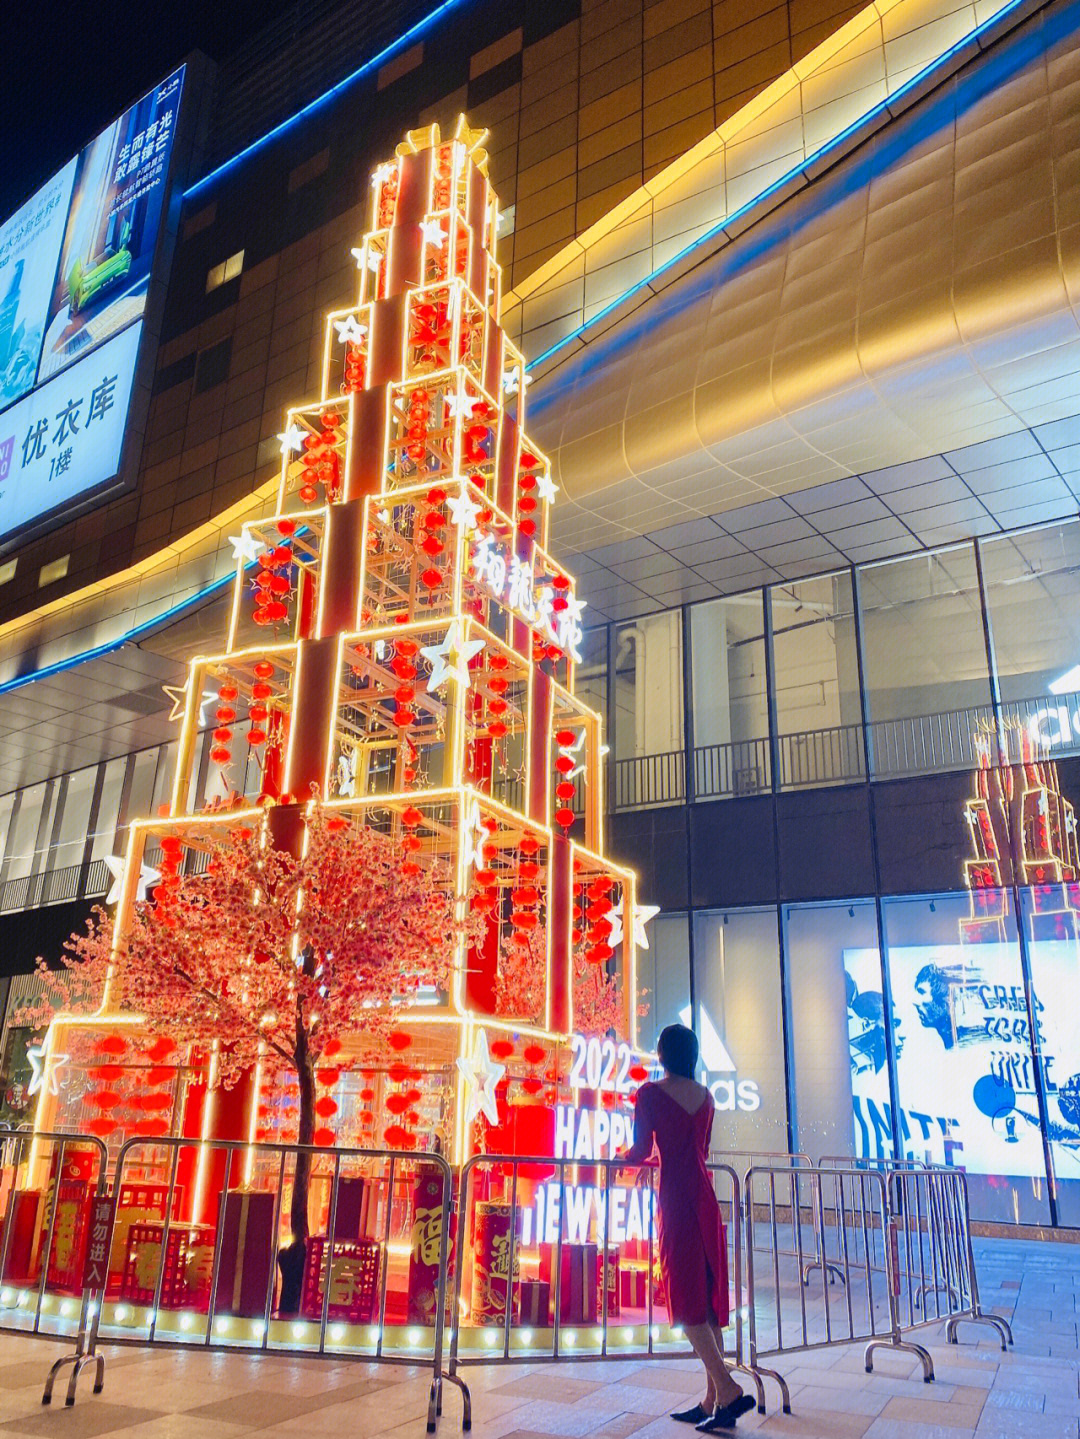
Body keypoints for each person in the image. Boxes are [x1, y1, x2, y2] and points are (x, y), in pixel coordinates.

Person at [621, 1024, 754, 1432]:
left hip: (676, 1200)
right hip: (706, 1198)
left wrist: (618, 1160)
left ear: (662, 1054)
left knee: (684, 1297)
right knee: (709, 1293)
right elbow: (703, 1149)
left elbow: (642, 1150)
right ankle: (712, 1399)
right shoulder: (707, 1097)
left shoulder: (649, 1094)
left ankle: (728, 1389)